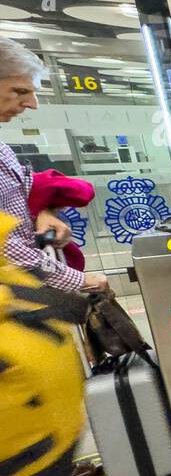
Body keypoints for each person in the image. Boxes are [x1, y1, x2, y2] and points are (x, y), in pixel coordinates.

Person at [0, 39, 109, 296]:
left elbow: (20, 193)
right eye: (20, 91)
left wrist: (42, 211)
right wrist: (75, 279)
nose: (32, 104)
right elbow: (3, 247)